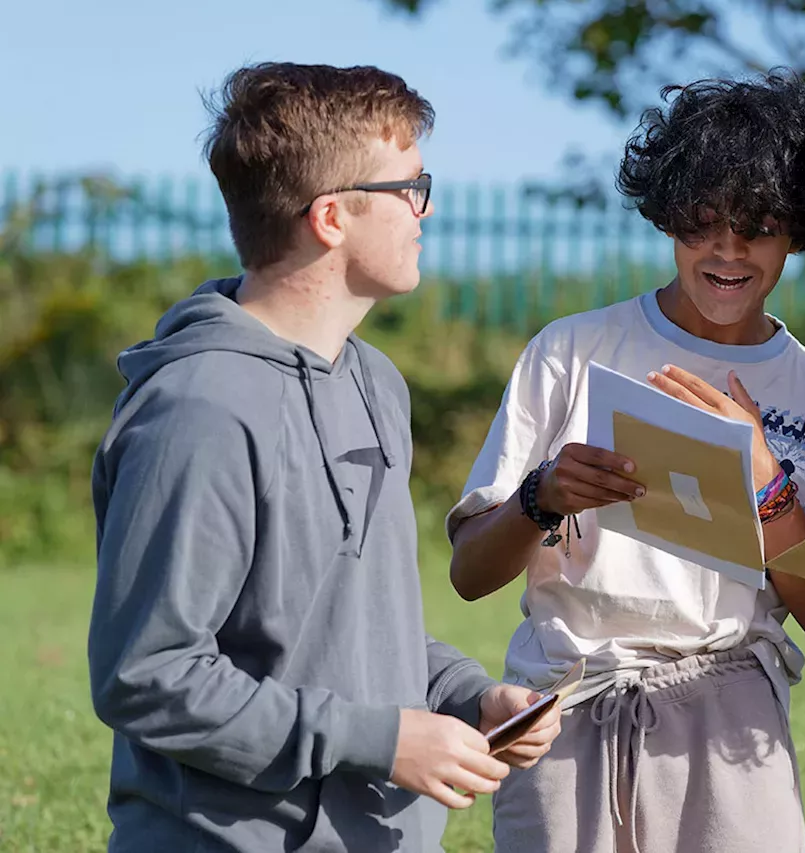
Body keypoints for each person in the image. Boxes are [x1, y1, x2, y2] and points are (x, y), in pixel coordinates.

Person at [87, 62, 558, 853]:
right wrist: (380, 739)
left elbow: (357, 630)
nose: (427, 207)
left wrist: (467, 697)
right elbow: (148, 675)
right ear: (332, 217)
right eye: (410, 185)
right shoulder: (198, 409)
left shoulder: (375, 381)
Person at [446, 72, 805, 852]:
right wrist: (540, 497)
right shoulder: (572, 351)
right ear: (666, 218)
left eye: (758, 225)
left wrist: (767, 483)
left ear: (800, 229)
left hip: (732, 723)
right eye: (700, 222)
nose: (727, 249)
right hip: (569, 703)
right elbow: (470, 573)